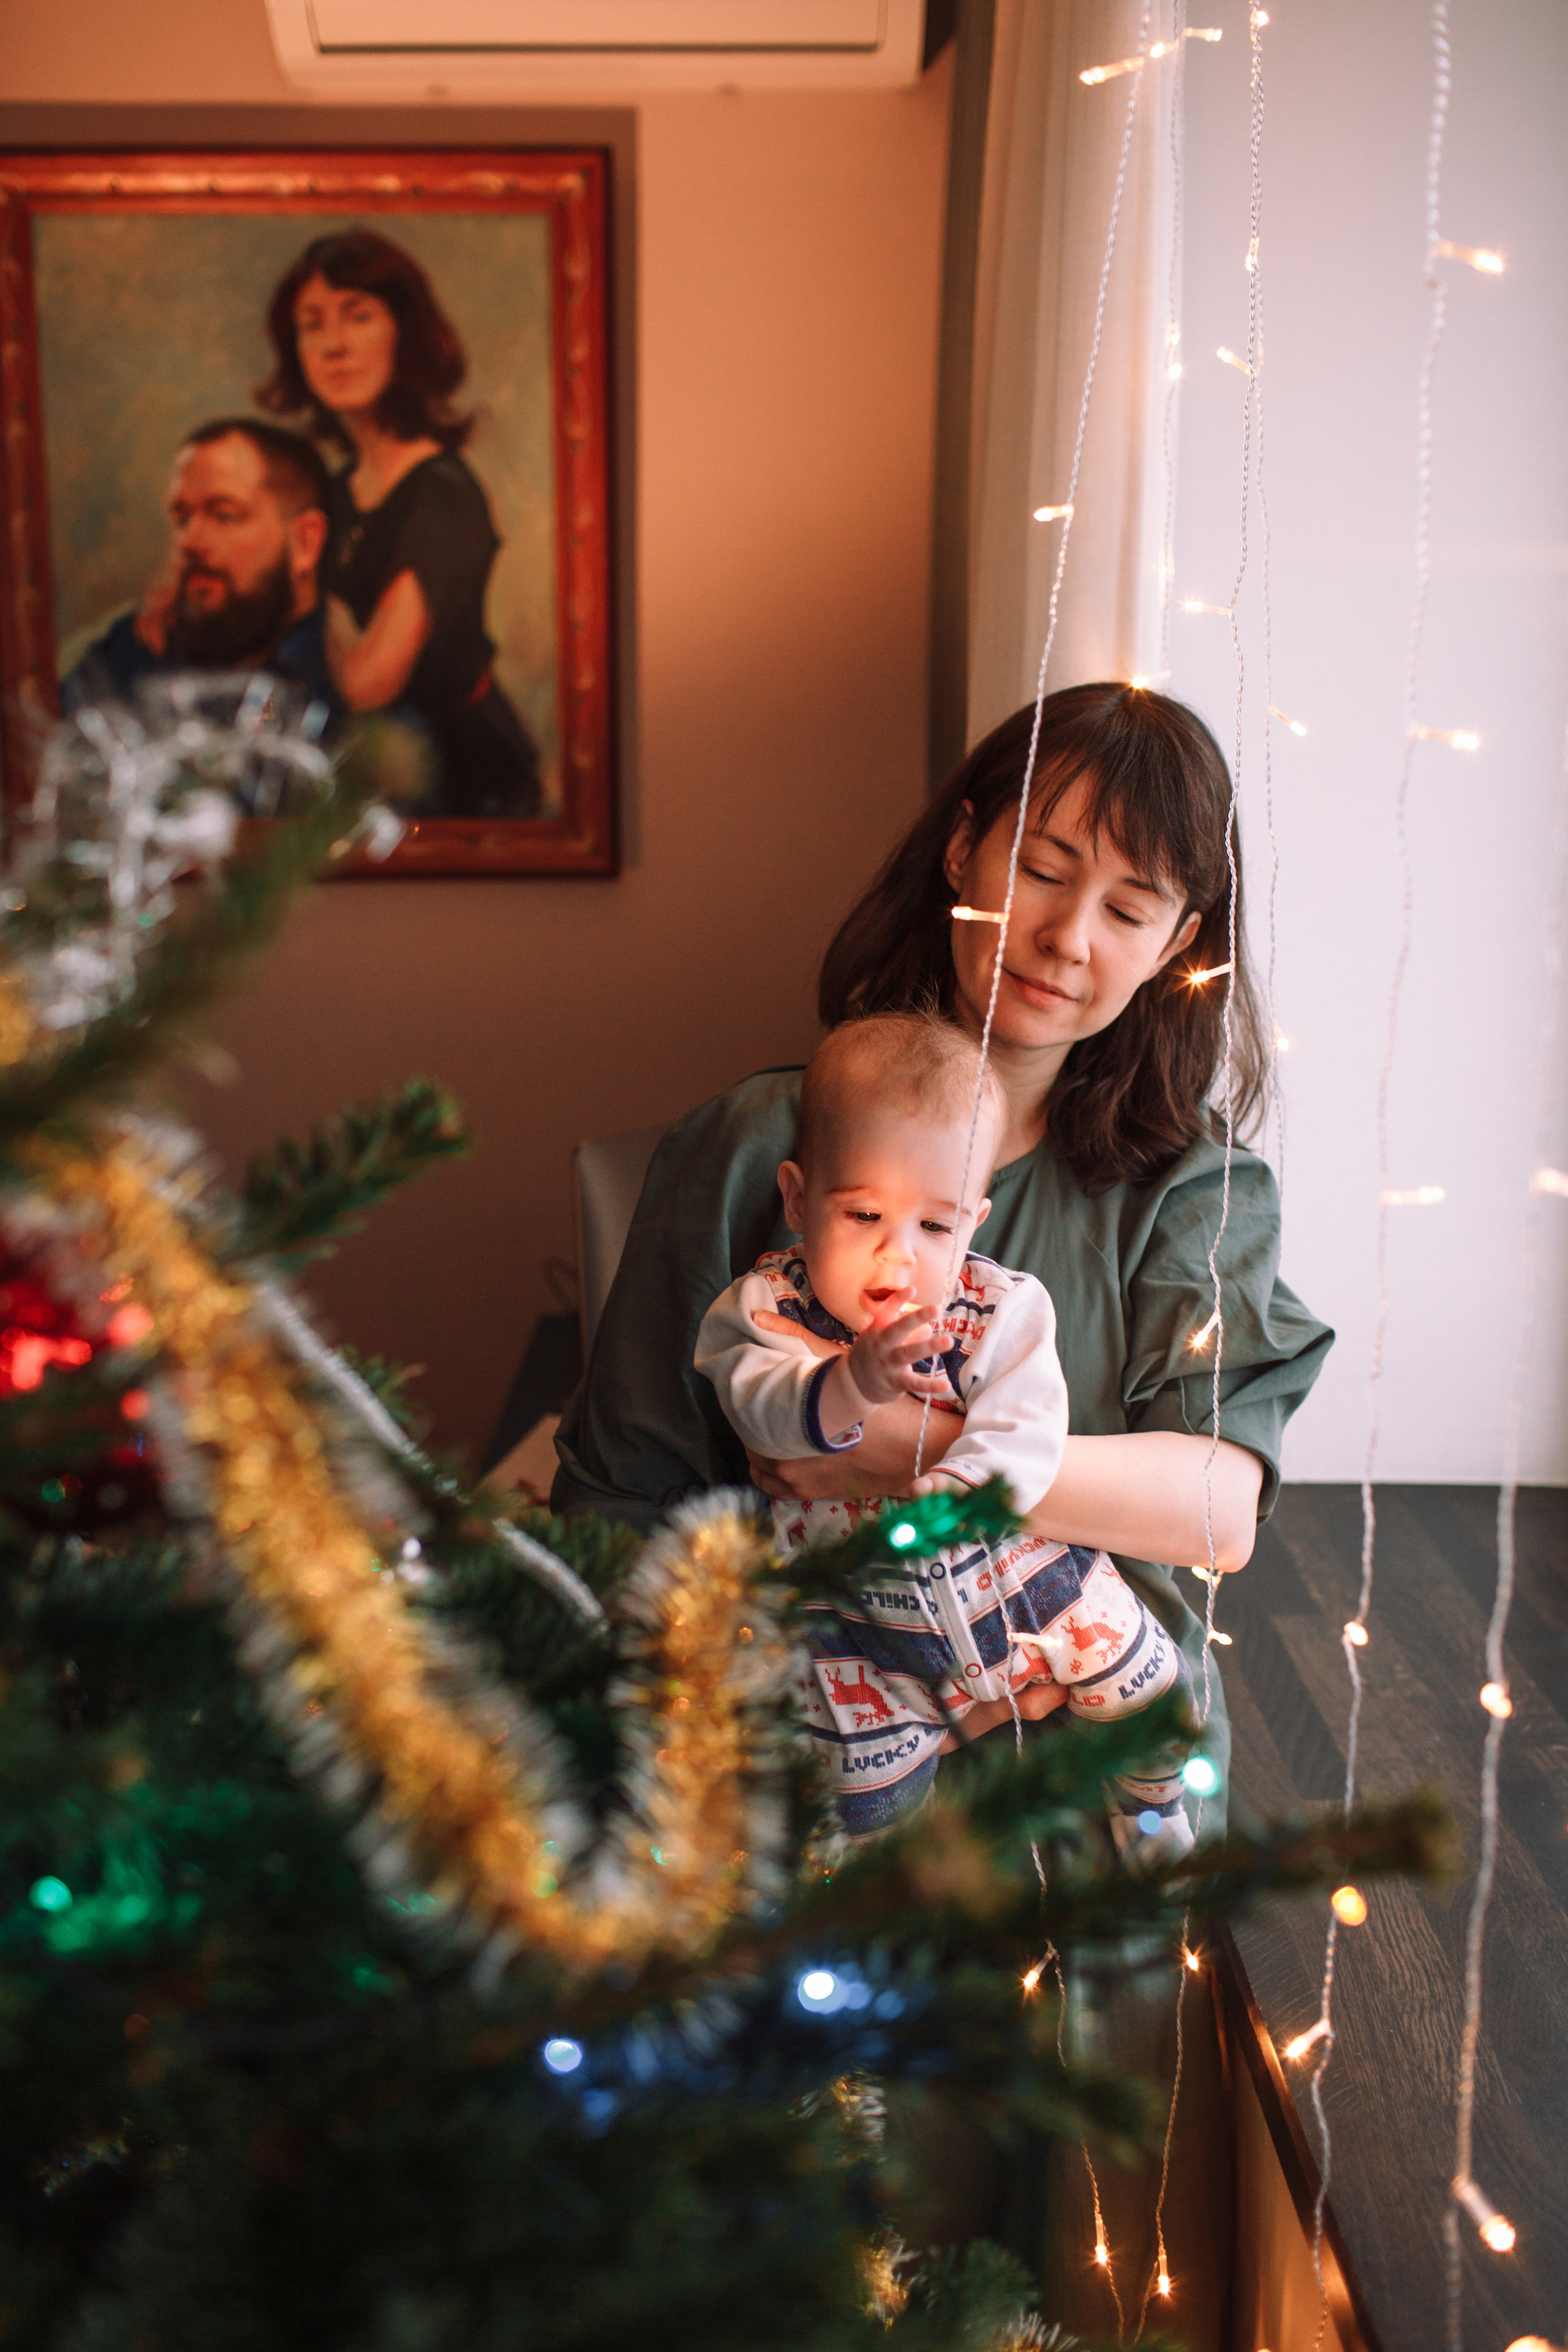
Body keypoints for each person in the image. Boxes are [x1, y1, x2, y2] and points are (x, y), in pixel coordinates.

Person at [553, 683, 1333, 1838]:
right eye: (1044, 866)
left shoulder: (1196, 1191)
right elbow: (615, 1505)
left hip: (1088, 1768)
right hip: (808, 1757)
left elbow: (1220, 1508)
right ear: (965, 851)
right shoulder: (753, 1146)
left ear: (1178, 945)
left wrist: (902, 1449)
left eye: (1130, 909)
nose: (1069, 937)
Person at [694, 1011, 1196, 1853]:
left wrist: (951, 1494)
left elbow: (1028, 1429)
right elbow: (758, 1410)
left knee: (1153, 1696)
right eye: (863, 1217)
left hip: (1033, 1589)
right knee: (853, 1804)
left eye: (935, 1227)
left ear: (974, 1220)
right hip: (858, 1629)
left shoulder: (1002, 1309)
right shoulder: (762, 1310)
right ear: (797, 1198)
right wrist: (848, 1386)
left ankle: (1150, 1813)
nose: (900, 1260)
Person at [257, 227, 543, 821]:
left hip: (463, 778)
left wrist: (313, 594)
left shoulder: (441, 495)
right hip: (374, 770)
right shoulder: (335, 492)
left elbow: (369, 683)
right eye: (312, 325)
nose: (333, 345)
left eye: (356, 316)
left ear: (404, 334)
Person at [61, 418, 337, 719]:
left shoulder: (337, 677)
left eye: (224, 515)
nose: (189, 541)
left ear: (306, 542)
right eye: (182, 519)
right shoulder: (140, 645)